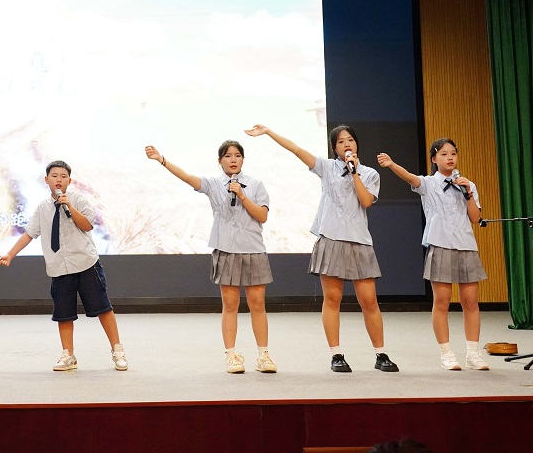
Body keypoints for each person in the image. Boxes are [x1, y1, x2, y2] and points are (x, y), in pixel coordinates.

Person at [245, 124, 399, 373]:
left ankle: (381, 354)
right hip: (331, 239)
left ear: (357, 144)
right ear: (334, 148)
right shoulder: (326, 168)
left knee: (369, 300)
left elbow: (366, 201)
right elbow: (296, 149)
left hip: (360, 241)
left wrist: (354, 173)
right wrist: (269, 132)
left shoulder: (369, 174)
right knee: (333, 298)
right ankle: (336, 355)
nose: (347, 144)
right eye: (341, 142)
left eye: (350, 140)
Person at [145, 142, 275, 374]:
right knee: (230, 304)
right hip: (226, 249)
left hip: (253, 249)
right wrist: (161, 160)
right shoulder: (214, 184)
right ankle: (231, 355)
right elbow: (187, 177)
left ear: (243, 160)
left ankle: (263, 355)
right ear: (220, 161)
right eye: (228, 156)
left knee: (257, 304)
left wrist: (242, 195)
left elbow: (262, 216)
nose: (233, 160)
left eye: (237, 156)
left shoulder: (255, 184)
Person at [0, 160, 128, 372]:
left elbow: (87, 225)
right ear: (46, 179)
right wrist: (10, 254)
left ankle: (117, 350)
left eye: (63, 176)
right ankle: (68, 355)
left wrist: (69, 207)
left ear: (70, 180)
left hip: (85, 263)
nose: (59, 179)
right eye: (54, 176)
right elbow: (29, 233)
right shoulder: (42, 208)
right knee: (64, 314)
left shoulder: (78, 200)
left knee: (103, 308)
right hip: (59, 268)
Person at [378, 139, 489, 371]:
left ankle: (473, 354)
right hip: (440, 244)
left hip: (466, 246)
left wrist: (468, 192)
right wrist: (391, 164)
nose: (450, 158)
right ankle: (447, 354)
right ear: (434, 159)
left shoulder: (468, 184)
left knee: (471, 301)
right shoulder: (428, 184)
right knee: (442, 301)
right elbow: (410, 177)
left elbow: (475, 218)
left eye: (453, 153)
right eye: (445, 154)